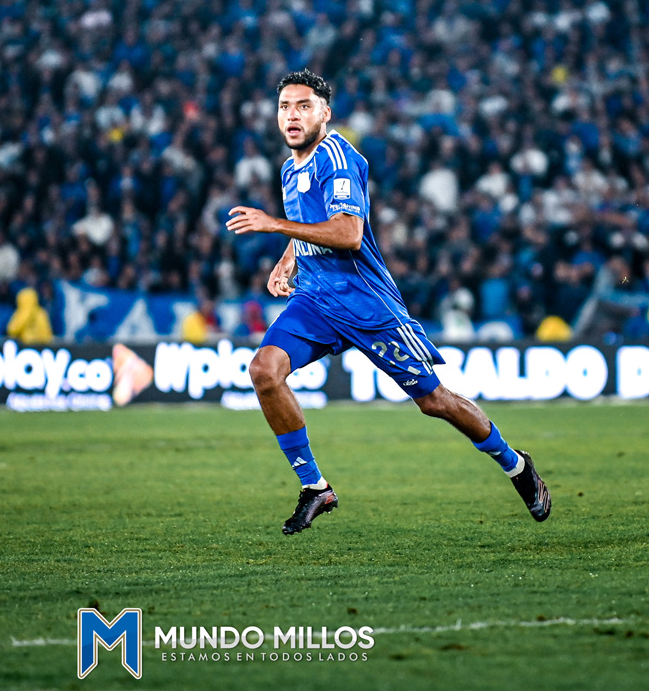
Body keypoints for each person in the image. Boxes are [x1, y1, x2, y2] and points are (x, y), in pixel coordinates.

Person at [226, 70, 551, 535]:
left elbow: (348, 234)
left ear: (325, 113)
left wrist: (274, 225)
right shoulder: (289, 167)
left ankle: (515, 465)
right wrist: (287, 259)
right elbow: (309, 224)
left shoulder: (338, 159)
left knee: (434, 401)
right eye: (284, 107)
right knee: (264, 370)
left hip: (366, 304)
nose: (292, 115)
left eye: (303, 106)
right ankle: (315, 487)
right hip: (316, 300)